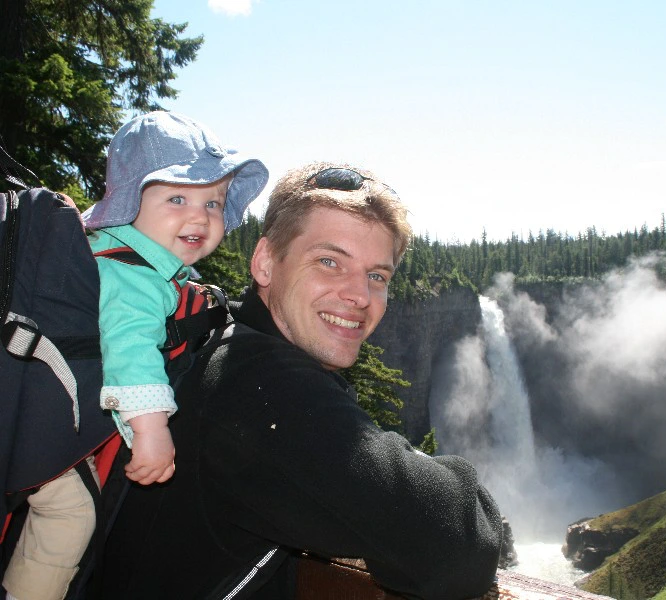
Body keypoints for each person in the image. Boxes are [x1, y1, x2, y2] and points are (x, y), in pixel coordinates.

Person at [99, 163, 504, 599]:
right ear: (264, 263)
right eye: (329, 262)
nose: (360, 296)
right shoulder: (261, 387)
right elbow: (460, 549)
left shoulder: (223, 339)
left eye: (377, 276)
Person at [2, 111, 268, 600]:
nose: (200, 216)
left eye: (213, 202)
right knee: (70, 515)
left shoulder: (108, 249)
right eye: (177, 198)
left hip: (27, 399)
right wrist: (150, 431)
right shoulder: (134, 276)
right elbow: (130, 350)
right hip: (39, 424)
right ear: (130, 201)